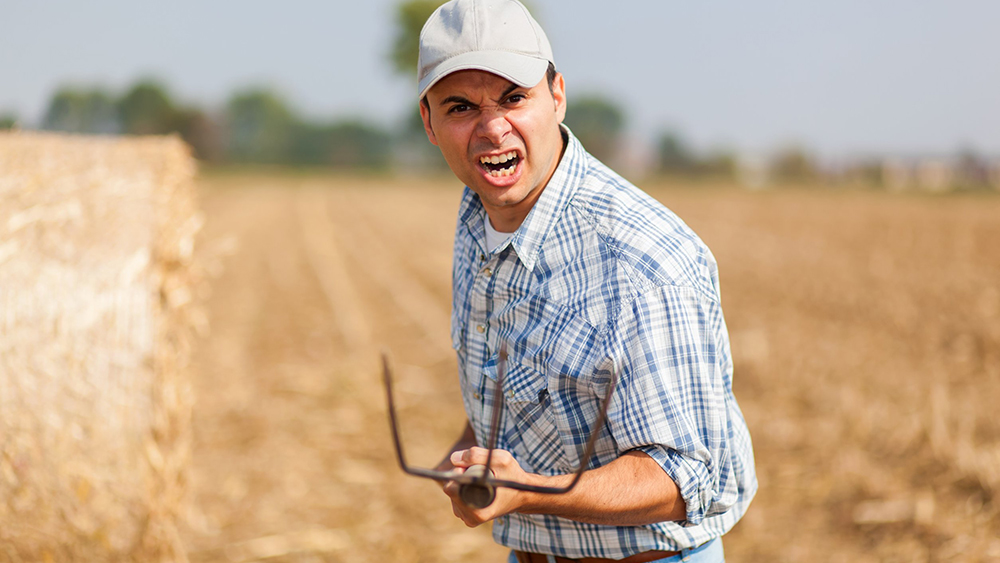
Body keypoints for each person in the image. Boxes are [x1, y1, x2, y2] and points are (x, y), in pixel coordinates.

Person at [416, 1, 757, 561]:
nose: (492, 127)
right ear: (429, 124)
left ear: (557, 96)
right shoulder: (480, 216)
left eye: (514, 97)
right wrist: (474, 447)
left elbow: (689, 477)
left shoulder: (643, 263)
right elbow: (527, 363)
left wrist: (524, 490)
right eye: (460, 107)